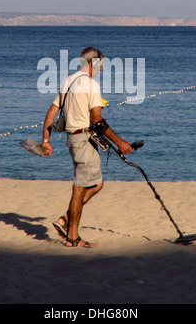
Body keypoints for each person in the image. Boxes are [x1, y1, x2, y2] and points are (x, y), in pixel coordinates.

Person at [42, 47, 133, 248]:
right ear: (92, 63)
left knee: (96, 184)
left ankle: (66, 219)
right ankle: (72, 237)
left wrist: (46, 140)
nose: (102, 68)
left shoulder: (69, 80)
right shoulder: (91, 85)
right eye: (101, 64)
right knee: (79, 188)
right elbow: (98, 121)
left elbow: (51, 111)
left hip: (73, 141)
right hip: (83, 140)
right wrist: (121, 143)